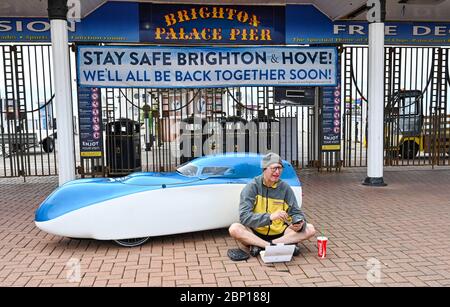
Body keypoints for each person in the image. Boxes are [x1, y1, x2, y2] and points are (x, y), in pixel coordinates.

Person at [228, 153, 316, 257]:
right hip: (255, 232)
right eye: (274, 168)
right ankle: (277, 245)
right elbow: (244, 217)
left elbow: (296, 212)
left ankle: (264, 245)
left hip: (280, 233)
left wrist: (299, 223)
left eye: (280, 168)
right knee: (234, 229)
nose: (277, 172)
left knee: (310, 229)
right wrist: (270, 217)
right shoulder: (252, 187)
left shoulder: (285, 188)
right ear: (265, 168)